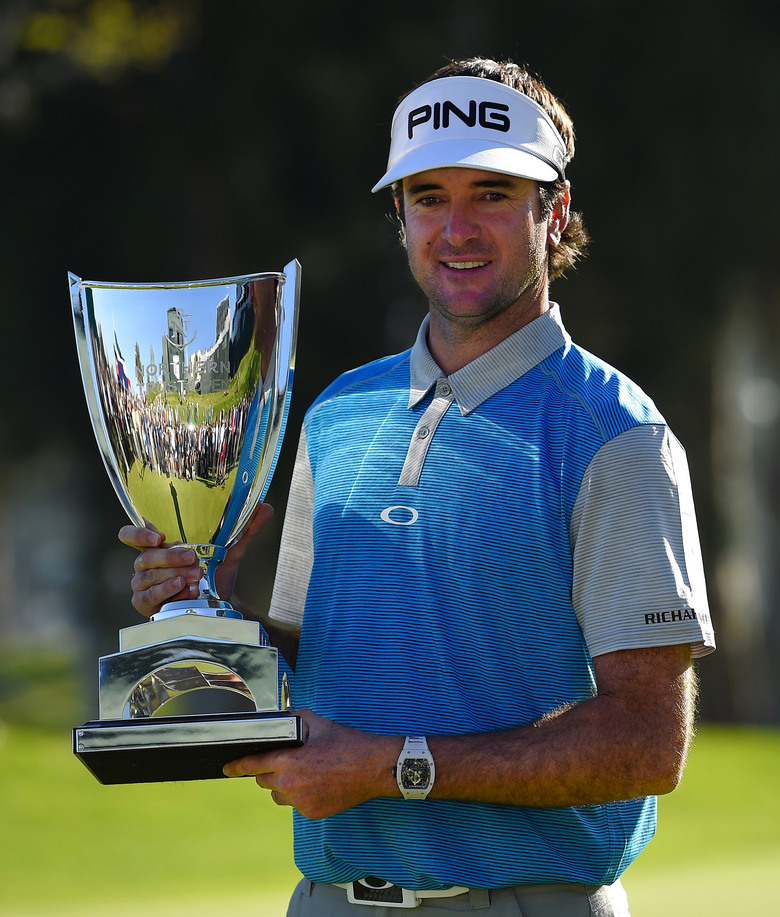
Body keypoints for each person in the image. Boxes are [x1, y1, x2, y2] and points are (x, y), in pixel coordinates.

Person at [121, 58, 716, 916]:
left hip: (526, 901)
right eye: (429, 197)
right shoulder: (336, 413)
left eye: (494, 194)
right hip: (330, 897)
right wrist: (202, 607)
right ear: (398, 217)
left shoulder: (613, 433)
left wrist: (395, 764)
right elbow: (302, 672)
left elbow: (648, 743)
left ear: (556, 213)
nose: (458, 228)